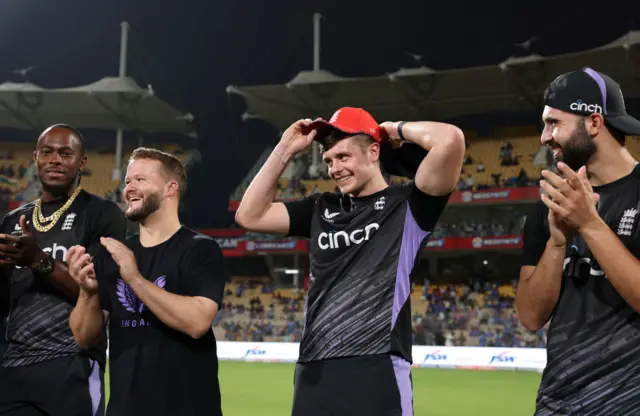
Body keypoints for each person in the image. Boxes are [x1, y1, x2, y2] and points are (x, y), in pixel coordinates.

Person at [235, 107, 465, 415]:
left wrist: (393, 130)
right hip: (314, 368)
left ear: (373, 152)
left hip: (377, 364)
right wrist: (285, 149)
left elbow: (450, 139)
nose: (334, 169)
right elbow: (249, 214)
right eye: (329, 160)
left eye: (343, 157)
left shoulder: (409, 205)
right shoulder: (320, 208)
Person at [67, 147, 228, 416]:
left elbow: (197, 322)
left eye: (140, 180)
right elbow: (84, 336)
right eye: (128, 181)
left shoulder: (200, 249)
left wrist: (135, 278)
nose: (129, 187)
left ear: (170, 188)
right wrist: (87, 292)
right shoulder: (113, 255)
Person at [517, 67, 640, 415]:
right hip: (557, 403)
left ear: (594, 122)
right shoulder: (549, 202)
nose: (544, 137)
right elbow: (529, 317)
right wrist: (556, 244)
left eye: (554, 123)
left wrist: (589, 224)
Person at [0, 124, 127, 416]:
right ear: (35, 158)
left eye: (65, 153)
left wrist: (38, 260)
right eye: (47, 152)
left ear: (81, 162)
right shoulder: (13, 220)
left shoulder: (103, 214)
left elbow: (101, 295)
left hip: (73, 363)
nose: (55, 159)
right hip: (14, 366)